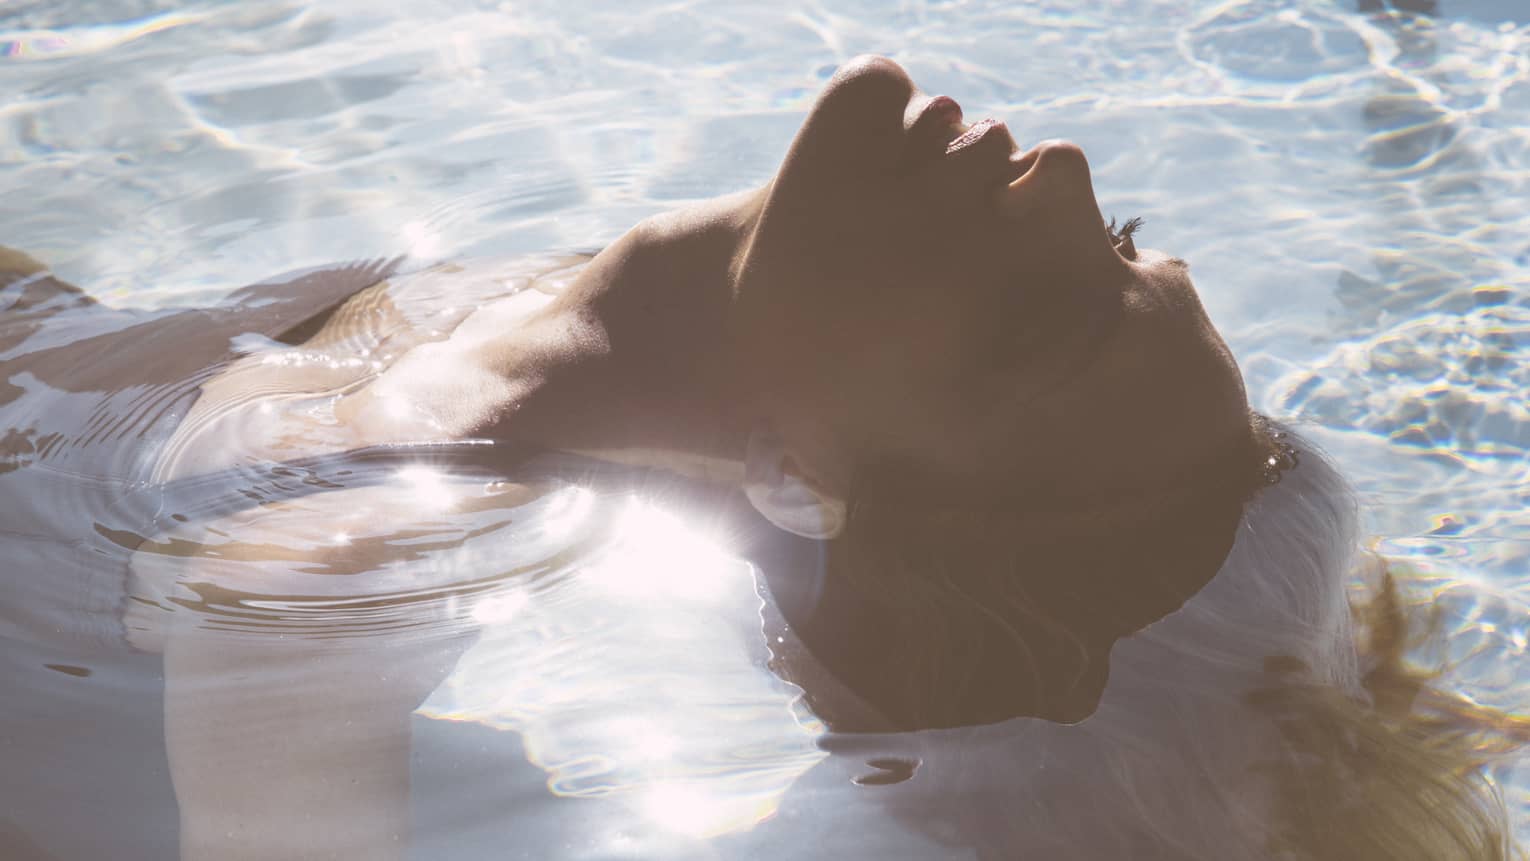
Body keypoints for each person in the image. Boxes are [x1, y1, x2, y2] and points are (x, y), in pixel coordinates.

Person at [0, 55, 1521, 860]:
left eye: (1034, 319)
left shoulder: (342, 555)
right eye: (1119, 245)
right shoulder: (681, 387)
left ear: (816, 475)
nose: (1058, 177)